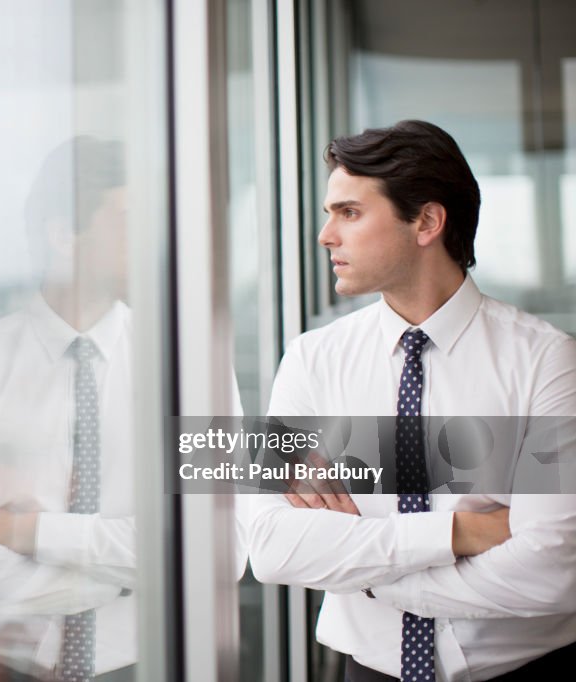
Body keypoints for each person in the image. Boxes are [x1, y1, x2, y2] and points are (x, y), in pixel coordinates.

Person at [243, 120, 576, 681]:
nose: (326, 235)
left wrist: (366, 577)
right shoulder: (310, 360)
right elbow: (271, 546)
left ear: (426, 221)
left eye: (348, 213)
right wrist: (457, 534)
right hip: (366, 670)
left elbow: (554, 568)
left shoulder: (546, 361)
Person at [0, 137, 139, 681]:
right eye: (128, 218)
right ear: (65, 235)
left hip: (149, 662)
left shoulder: (189, 363)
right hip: (7, 669)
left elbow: (220, 547)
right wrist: (119, 581)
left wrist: (28, 532)